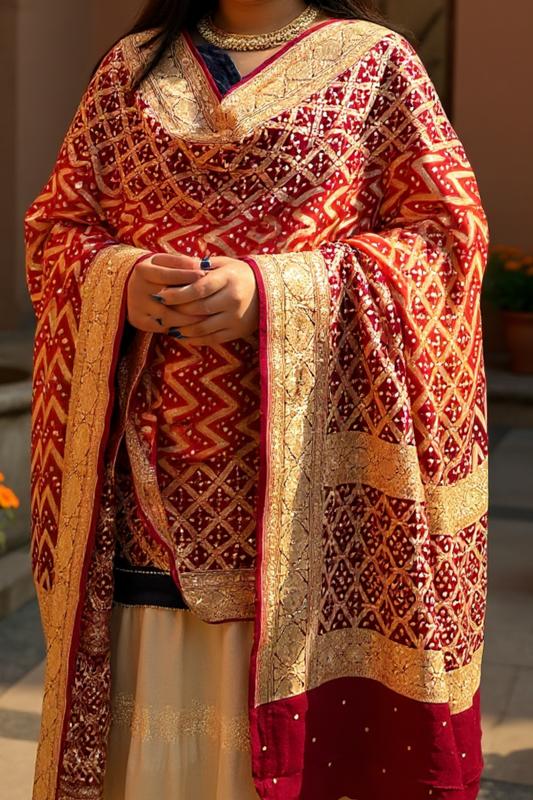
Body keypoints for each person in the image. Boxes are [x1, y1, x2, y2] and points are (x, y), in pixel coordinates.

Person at [25, 0, 489, 798]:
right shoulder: (130, 69)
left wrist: (277, 292)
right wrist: (121, 282)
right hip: (144, 498)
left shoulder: (375, 64)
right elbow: (57, 228)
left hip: (312, 509)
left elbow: (446, 243)